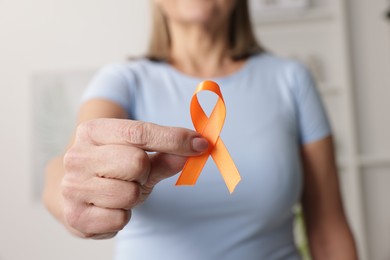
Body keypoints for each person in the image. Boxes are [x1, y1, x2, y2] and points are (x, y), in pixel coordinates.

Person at [43, 0, 358, 259]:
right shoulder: (121, 81)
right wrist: (71, 198)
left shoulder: (292, 80)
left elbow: (328, 230)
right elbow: (73, 161)